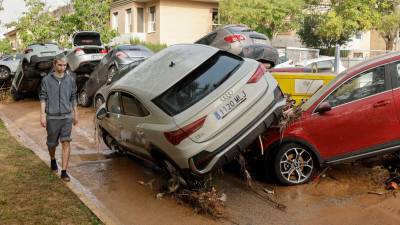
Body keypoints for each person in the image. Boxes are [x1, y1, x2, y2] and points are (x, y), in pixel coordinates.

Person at [39, 55, 78, 182]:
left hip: (66, 117)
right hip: (52, 117)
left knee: (66, 142)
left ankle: (64, 171)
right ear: (54, 64)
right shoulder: (46, 80)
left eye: (65, 65)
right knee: (52, 144)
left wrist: (75, 114)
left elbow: (73, 97)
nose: (62, 68)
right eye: (60, 65)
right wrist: (42, 115)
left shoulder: (70, 80)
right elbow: (43, 97)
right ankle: (52, 159)